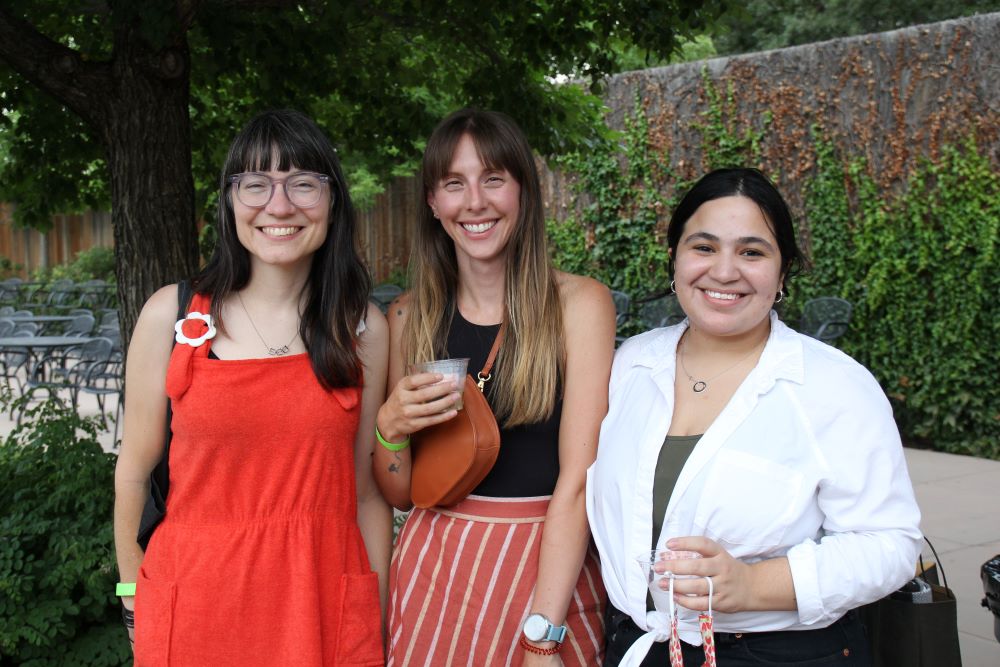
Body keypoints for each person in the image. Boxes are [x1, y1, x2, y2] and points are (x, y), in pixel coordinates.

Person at [587, 167, 923, 666]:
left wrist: (753, 585)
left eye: (751, 252)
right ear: (674, 259)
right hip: (635, 644)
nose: (724, 271)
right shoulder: (629, 365)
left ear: (782, 271)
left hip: (778, 654)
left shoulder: (833, 386)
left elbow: (892, 544)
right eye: (703, 247)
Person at [113, 109, 391, 665]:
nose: (279, 205)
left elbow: (365, 493)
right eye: (256, 184)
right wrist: (130, 598)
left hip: (318, 609)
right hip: (193, 608)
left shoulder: (363, 329)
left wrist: (373, 613)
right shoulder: (170, 315)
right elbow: (133, 471)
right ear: (230, 201)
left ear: (333, 202)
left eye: (303, 184)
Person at [372, 108, 615, 665]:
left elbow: (579, 483)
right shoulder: (409, 317)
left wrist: (542, 633)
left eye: (493, 179)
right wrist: (389, 430)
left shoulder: (579, 305)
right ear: (433, 203)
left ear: (523, 192)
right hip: (434, 572)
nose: (475, 201)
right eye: (454, 184)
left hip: (545, 574)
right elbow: (401, 493)